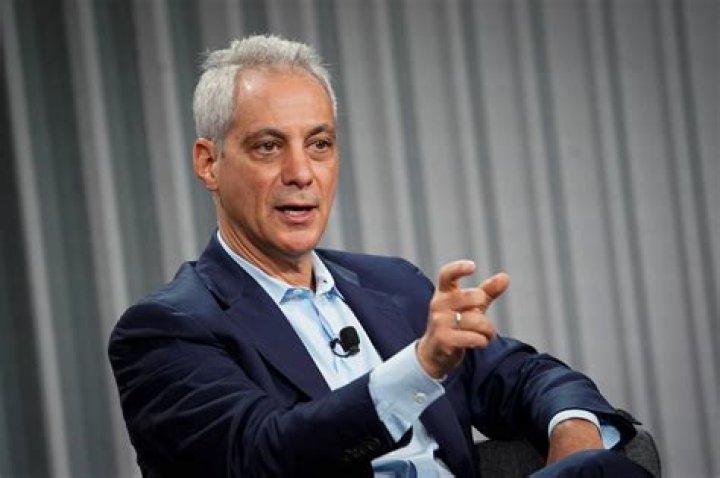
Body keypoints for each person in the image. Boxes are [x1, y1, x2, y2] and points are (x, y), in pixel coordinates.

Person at [108, 35, 651, 478]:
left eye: (319, 144)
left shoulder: (393, 286)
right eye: (268, 147)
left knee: (600, 469)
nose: (301, 173)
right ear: (209, 163)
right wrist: (419, 368)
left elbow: (523, 375)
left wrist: (573, 433)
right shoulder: (165, 330)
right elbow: (262, 455)